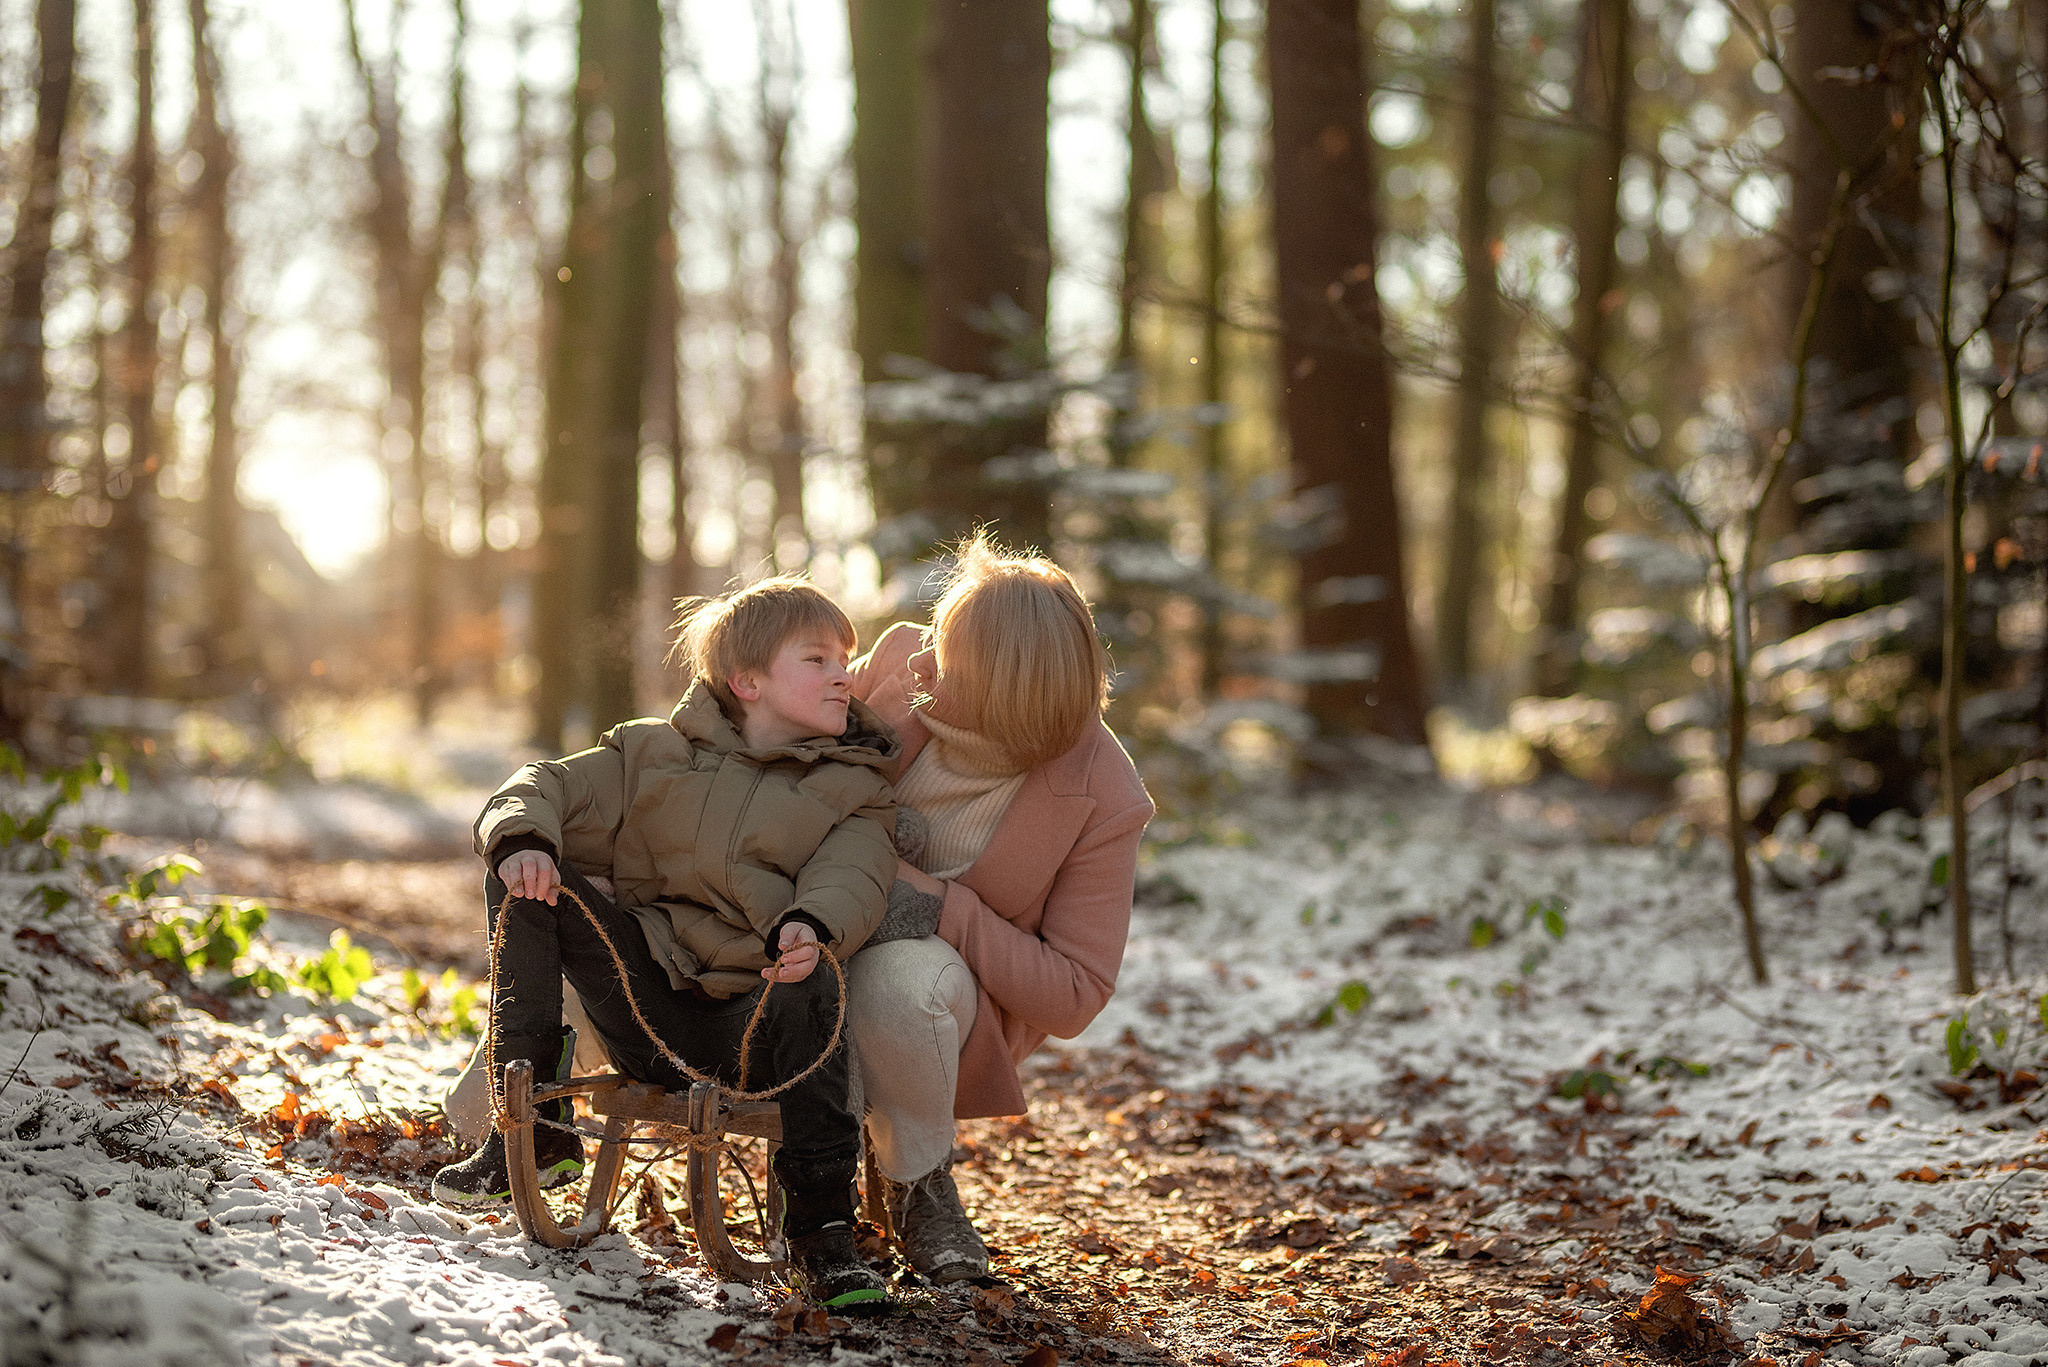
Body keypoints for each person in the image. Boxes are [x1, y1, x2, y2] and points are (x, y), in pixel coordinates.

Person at [430, 577, 900, 1308]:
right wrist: (523, 838)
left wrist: (810, 924)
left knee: (817, 979)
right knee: (525, 877)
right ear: (746, 680)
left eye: (847, 655)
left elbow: (856, 874)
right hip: (644, 1004)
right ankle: (534, 1128)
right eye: (817, 657)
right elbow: (538, 784)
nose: (845, 671)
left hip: (752, 1024)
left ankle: (823, 1234)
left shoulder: (857, 787)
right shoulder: (650, 751)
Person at [844, 533, 1155, 1284]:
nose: (920, 661)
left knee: (905, 975)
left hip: (944, 989)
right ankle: (528, 1116)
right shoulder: (898, 664)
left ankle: (917, 1181)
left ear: (1001, 687)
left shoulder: (1104, 793)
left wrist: (943, 906)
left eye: (945, 658)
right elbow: (757, 739)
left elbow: (1077, 990)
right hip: (811, 916)